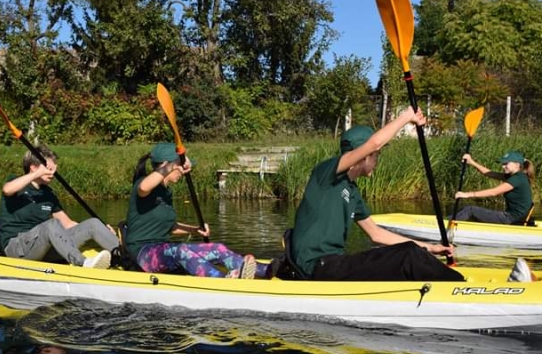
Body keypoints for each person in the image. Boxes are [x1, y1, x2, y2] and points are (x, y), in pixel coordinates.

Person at [291, 106, 465, 281]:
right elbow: (374, 143)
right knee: (408, 255)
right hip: (316, 265)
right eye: (376, 156)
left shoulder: (352, 192)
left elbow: (377, 234)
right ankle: (459, 286)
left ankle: (450, 280)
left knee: (410, 250)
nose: (377, 160)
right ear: (364, 156)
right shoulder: (326, 173)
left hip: (334, 263)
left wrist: (429, 248)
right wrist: (406, 117)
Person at [125, 142, 269, 279]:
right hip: (142, 253)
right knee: (180, 251)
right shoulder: (143, 183)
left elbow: (169, 227)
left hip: (163, 248)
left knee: (217, 248)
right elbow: (143, 188)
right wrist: (174, 164)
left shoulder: (166, 192)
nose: (182, 171)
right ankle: (222, 281)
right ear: (166, 164)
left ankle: (267, 270)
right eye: (179, 166)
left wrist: (194, 230)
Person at [0, 145, 120, 269]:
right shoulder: (15, 182)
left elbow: (68, 224)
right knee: (51, 224)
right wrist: (37, 173)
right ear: (33, 168)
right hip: (17, 248)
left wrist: (103, 231)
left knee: (93, 223)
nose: (53, 173)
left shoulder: (48, 194)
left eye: (54, 169)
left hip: (42, 247)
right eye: (49, 168)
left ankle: (125, 257)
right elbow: (7, 190)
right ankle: (82, 263)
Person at [454, 151, 534, 224]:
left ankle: (446, 225)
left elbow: (494, 192)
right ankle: (449, 222)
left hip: (511, 219)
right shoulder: (515, 176)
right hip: (514, 218)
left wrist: (467, 194)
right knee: (470, 213)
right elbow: (489, 173)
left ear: (517, 164)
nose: (503, 166)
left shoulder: (517, 178)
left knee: (470, 210)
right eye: (503, 164)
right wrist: (471, 162)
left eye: (506, 164)